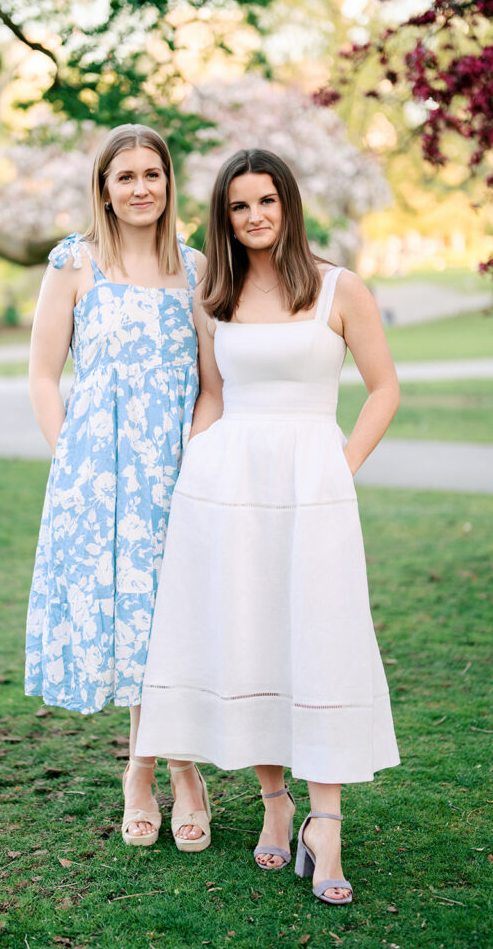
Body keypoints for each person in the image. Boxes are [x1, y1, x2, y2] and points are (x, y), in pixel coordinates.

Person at [136, 148, 401, 902]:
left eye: (266, 202)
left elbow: (383, 391)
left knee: (319, 634)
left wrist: (338, 466)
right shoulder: (215, 293)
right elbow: (214, 397)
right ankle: (275, 805)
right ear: (224, 217)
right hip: (228, 486)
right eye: (238, 206)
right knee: (252, 634)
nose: (254, 217)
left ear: (288, 205)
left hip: (313, 483)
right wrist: (193, 471)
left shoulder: (338, 288)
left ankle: (329, 821)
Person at [25, 124, 211, 852]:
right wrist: (71, 462)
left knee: (172, 621)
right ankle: (152, 772)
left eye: (152, 175)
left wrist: (197, 459)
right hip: (95, 476)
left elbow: (212, 385)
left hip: (176, 472)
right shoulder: (75, 264)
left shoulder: (195, 269)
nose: (140, 188)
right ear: (104, 186)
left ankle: (174, 768)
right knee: (131, 622)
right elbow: (44, 374)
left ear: (169, 184)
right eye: (125, 176)